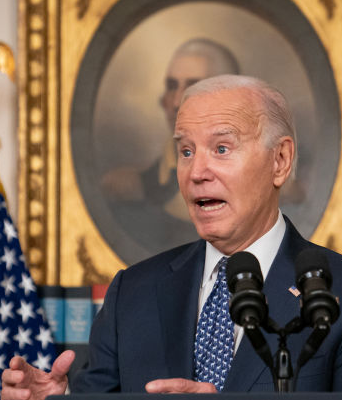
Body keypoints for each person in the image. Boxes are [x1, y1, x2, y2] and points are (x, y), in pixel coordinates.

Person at [2, 75, 342, 400]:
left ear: (280, 161)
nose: (197, 171)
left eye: (221, 148)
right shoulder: (132, 295)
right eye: (185, 151)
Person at [100, 39, 242, 255]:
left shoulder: (263, 191)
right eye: (172, 86)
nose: (176, 102)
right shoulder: (128, 192)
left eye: (193, 87)